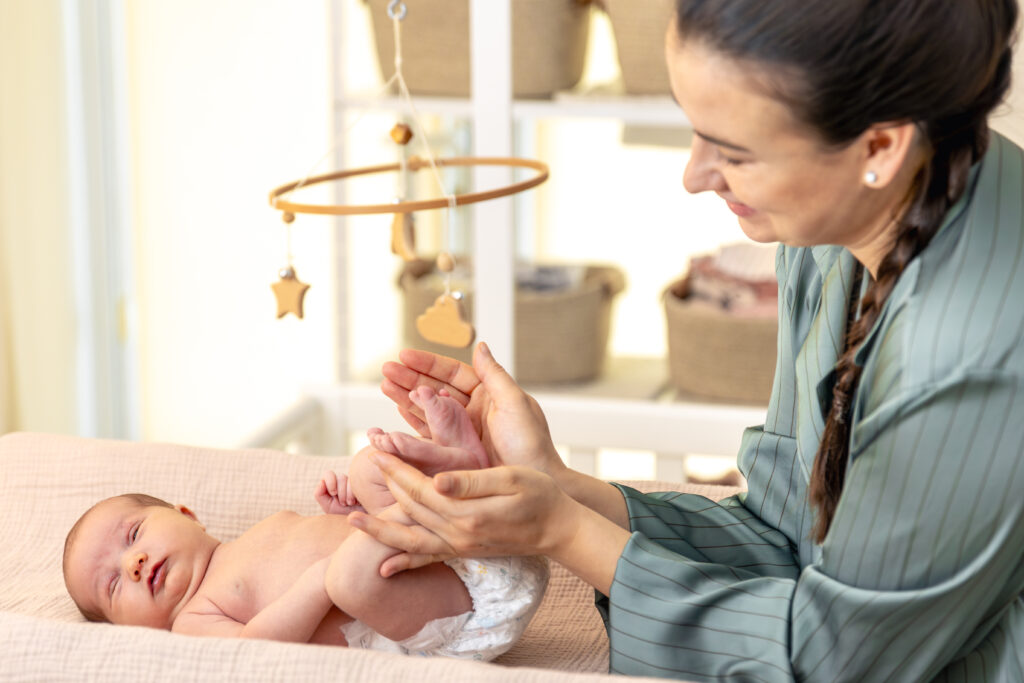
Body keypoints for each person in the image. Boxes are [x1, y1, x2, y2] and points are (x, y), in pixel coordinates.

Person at [345, 1, 1024, 680]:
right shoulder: (845, 223)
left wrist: (561, 531)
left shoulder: (971, 352)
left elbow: (833, 659)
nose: (694, 175)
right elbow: (789, 532)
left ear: (880, 146)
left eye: (734, 153)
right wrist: (557, 485)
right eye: (695, 132)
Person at [62, 386, 548, 660]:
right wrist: (319, 582)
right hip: (459, 619)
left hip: (467, 560)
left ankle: (459, 477)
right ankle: (462, 478)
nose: (134, 563)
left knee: (367, 467)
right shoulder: (193, 620)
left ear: (185, 514)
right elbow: (251, 651)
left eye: (133, 535)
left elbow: (323, 549)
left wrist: (347, 521)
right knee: (348, 577)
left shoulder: (254, 535)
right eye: (111, 586)